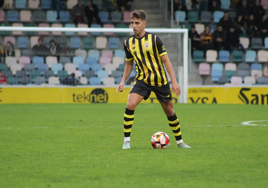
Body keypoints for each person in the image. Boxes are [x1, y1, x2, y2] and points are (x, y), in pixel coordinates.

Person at [116, 10, 191, 149]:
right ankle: (126, 141)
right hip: (142, 80)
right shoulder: (128, 43)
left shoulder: (155, 39)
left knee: (169, 111)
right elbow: (128, 63)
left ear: (144, 24)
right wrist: (122, 81)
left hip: (160, 81)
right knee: (130, 104)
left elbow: (166, 61)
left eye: (137, 23)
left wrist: (174, 81)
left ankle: (180, 142)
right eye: (132, 23)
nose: (134, 26)